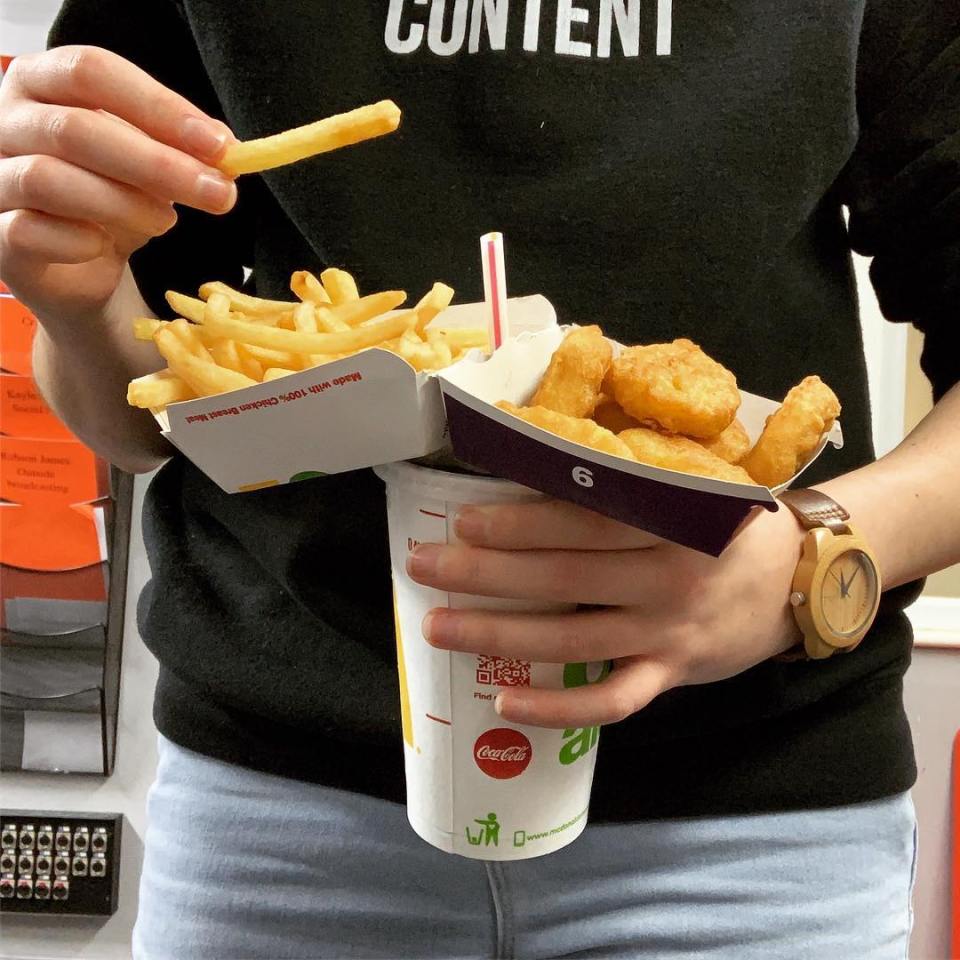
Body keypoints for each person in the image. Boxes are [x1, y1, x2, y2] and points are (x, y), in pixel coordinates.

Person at [1, 2, 958, 957]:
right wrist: (74, 297)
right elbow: (146, 413)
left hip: (752, 828)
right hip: (283, 820)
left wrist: (813, 557)